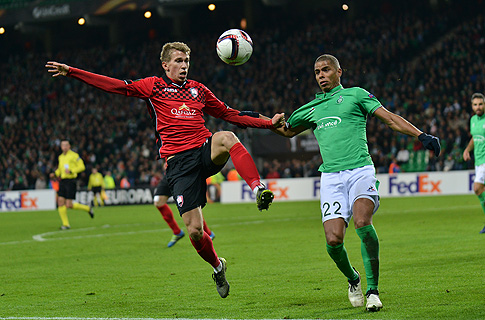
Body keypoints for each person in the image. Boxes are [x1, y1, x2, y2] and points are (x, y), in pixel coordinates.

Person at [45, 41, 285, 298]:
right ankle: (217, 266)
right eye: (179, 61)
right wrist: (73, 71)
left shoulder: (199, 90)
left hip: (203, 149)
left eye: (187, 62)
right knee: (195, 231)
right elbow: (115, 85)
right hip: (178, 165)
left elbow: (231, 113)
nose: (184, 66)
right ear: (166, 65)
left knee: (227, 137)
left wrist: (267, 123)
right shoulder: (153, 86)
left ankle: (258, 188)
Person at [269, 54, 440, 311]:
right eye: (317, 72)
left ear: (339, 72)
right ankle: (353, 279)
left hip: (360, 170)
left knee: (362, 221)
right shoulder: (310, 109)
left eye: (326, 70)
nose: (321, 75)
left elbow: (390, 118)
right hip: (331, 177)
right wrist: (262, 121)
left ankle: (373, 290)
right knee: (334, 240)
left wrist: (421, 135)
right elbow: (286, 130)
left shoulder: (356, 95)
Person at [153, 175, 215, 247]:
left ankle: (208, 233)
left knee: (190, 204)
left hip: (182, 173)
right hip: (169, 173)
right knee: (158, 202)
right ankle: (177, 232)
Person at [50, 139, 94, 229]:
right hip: (62, 181)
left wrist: (72, 171)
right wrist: (55, 174)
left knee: (69, 205)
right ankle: (66, 224)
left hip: (71, 181)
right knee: (60, 202)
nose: (64, 147)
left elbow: (82, 167)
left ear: (69, 146)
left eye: (66, 145)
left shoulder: (74, 156)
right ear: (61, 147)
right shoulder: (60, 157)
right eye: (63, 145)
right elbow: (60, 169)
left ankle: (87, 208)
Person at [462, 92, 485, 234]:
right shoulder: (473, 120)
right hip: (478, 161)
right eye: (475, 104)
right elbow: (474, 138)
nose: (478, 107)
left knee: (477, 188)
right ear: (472, 106)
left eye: (481, 104)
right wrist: (467, 150)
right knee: (479, 189)